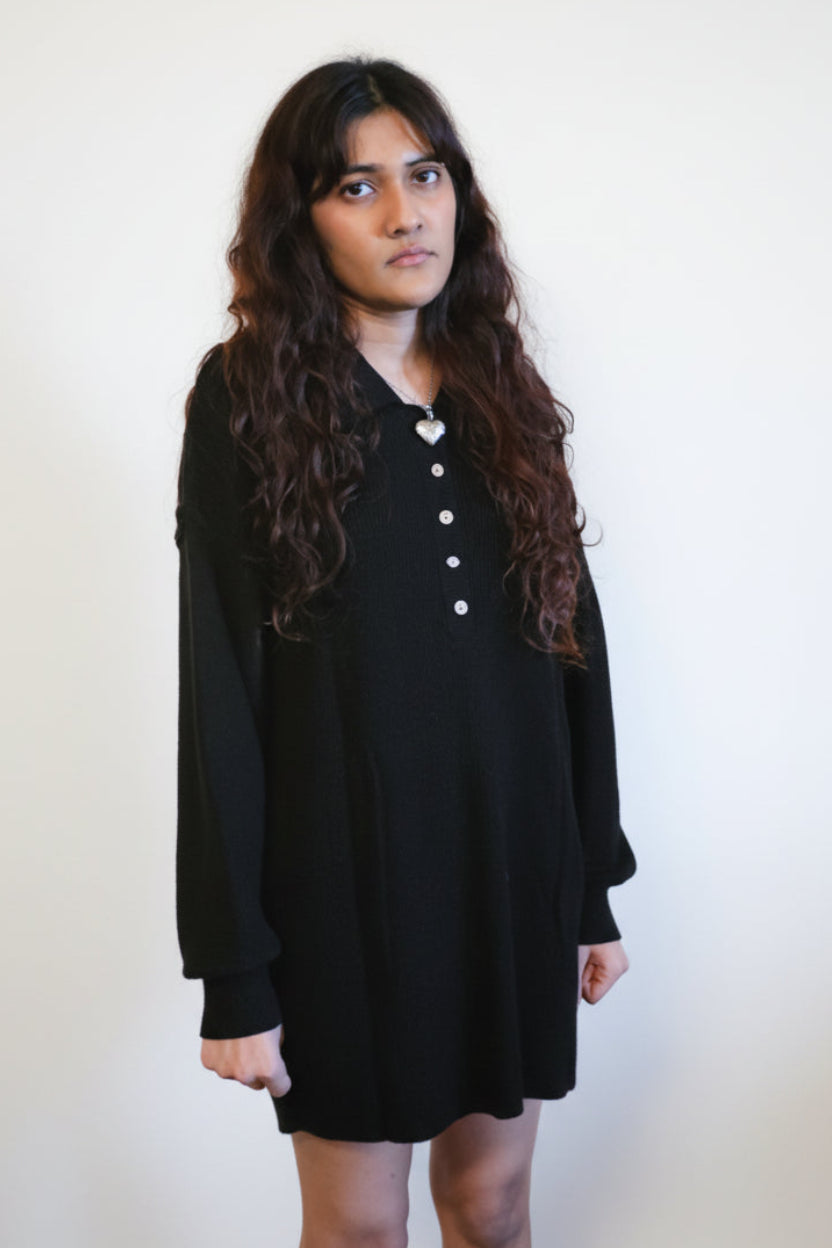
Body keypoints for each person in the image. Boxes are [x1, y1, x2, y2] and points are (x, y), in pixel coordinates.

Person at [175, 55, 636, 1248]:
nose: (403, 212)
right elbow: (218, 688)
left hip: (510, 871)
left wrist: (587, 884)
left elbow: (567, 640)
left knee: (491, 1205)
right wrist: (235, 969)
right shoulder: (243, 400)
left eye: (423, 175)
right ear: (300, 218)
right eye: (355, 186)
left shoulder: (504, 389)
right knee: (363, 1231)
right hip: (342, 892)